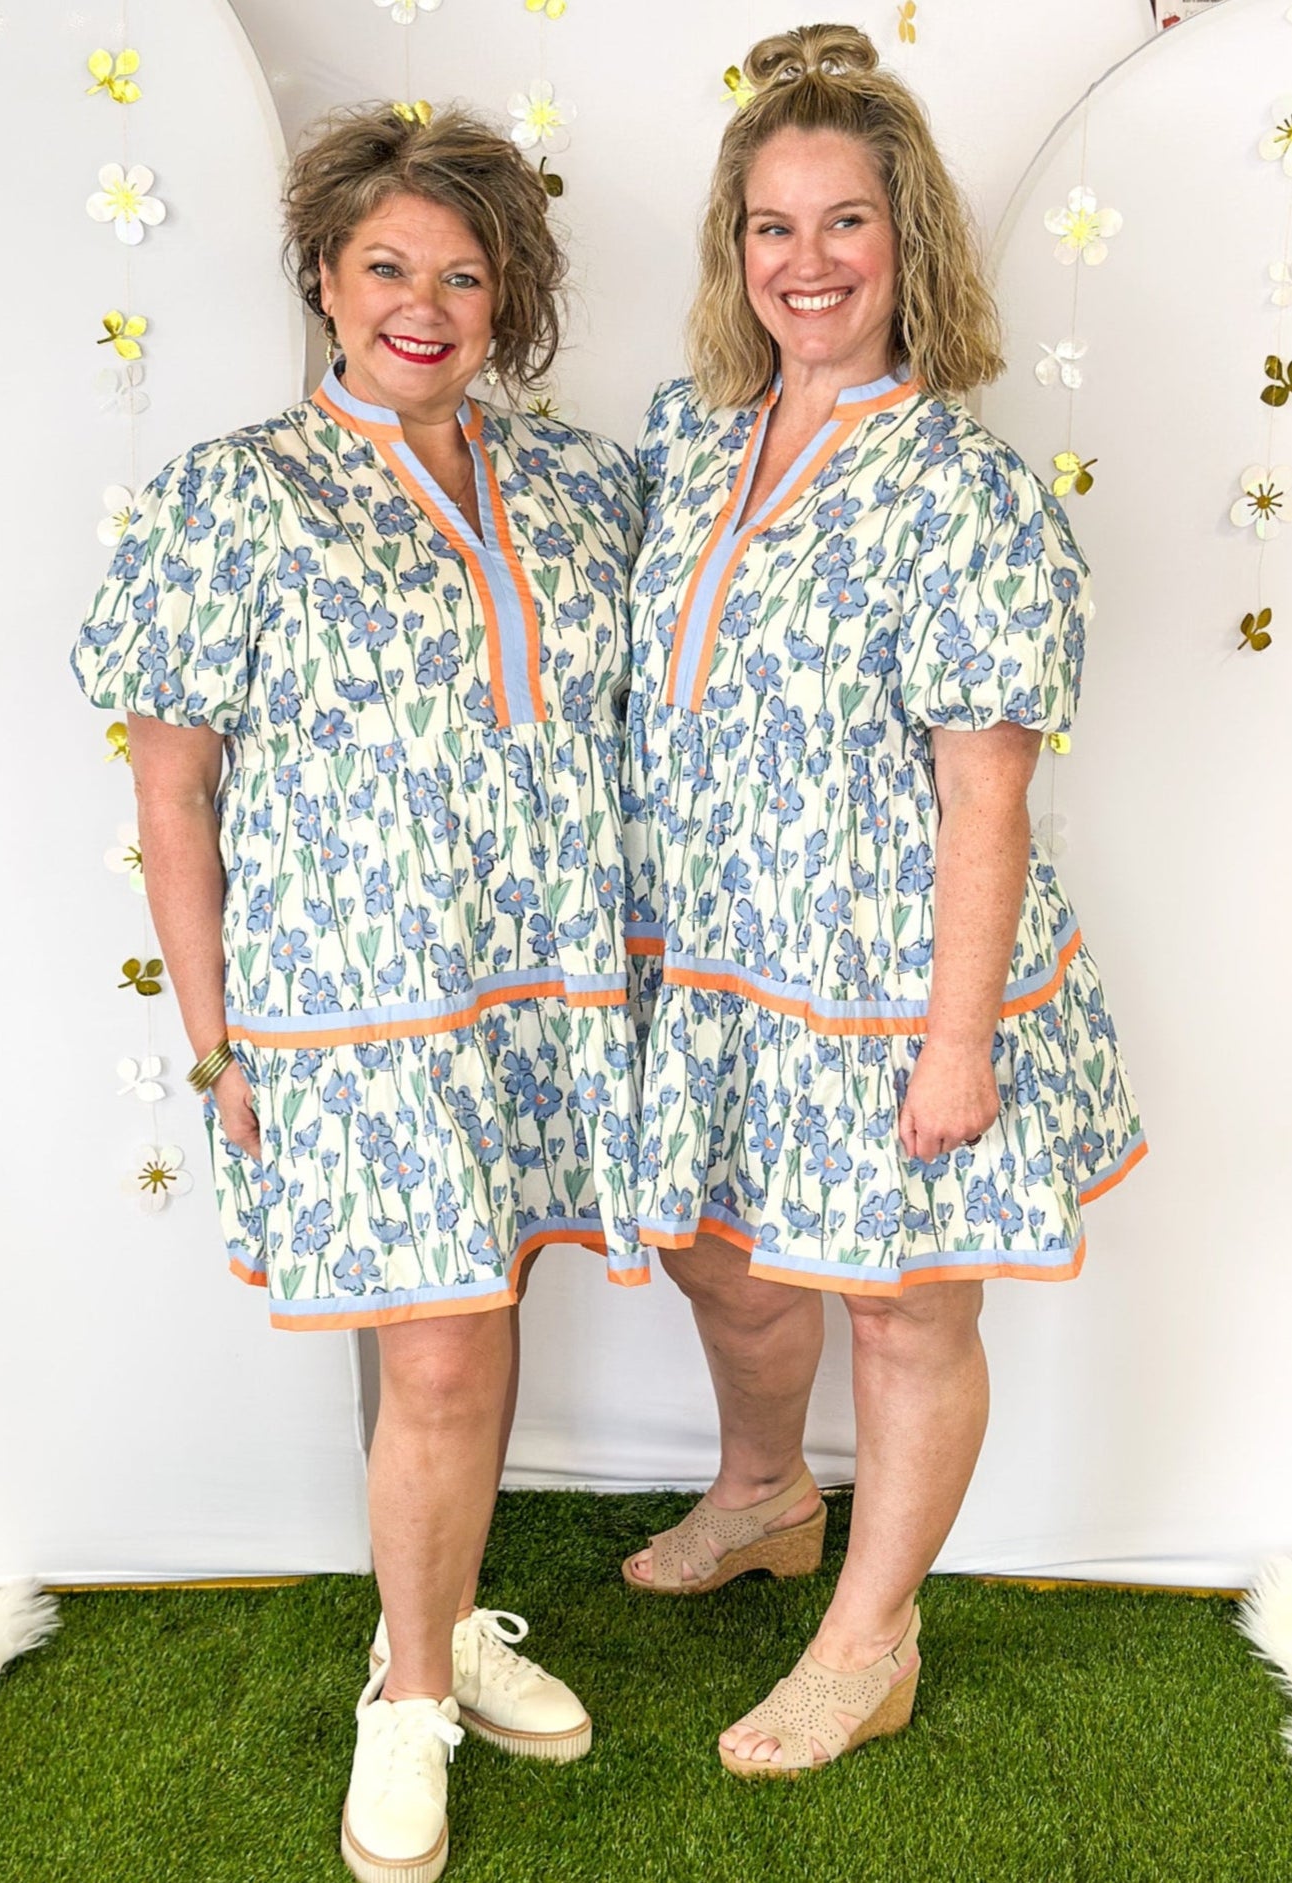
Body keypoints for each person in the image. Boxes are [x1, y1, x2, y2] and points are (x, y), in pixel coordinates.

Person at [72, 104, 644, 1882]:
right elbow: (171, 788)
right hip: (357, 1003)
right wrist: (214, 1037)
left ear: (510, 299)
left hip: (552, 984)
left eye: (465, 274)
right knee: (448, 1343)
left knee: (473, 1323)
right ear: (324, 279)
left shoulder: (575, 480)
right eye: (388, 265)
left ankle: (442, 1613)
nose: (425, 302)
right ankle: (406, 1696)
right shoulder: (227, 494)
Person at [621, 23, 1145, 1777]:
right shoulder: (688, 442)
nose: (808, 264)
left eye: (845, 223)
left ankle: (871, 1633)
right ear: (734, 251)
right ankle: (766, 1494)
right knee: (728, 1266)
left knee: (902, 1302)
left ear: (906, 242)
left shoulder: (966, 494)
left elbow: (985, 794)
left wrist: (954, 1042)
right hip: (711, 969)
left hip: (892, 979)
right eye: (773, 227)